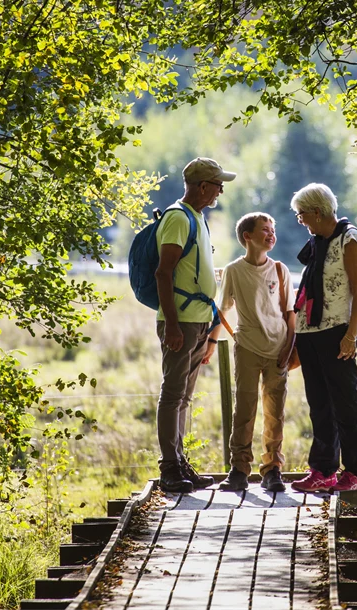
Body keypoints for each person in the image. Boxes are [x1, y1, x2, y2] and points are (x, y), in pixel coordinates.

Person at [153, 157, 235, 493]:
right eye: (218, 184)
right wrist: (172, 324)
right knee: (173, 395)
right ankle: (169, 468)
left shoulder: (198, 218)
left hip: (199, 320)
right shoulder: (177, 218)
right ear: (203, 186)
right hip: (182, 321)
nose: (220, 191)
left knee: (184, 397)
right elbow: (163, 272)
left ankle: (179, 462)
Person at [288, 183, 357, 493]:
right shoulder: (317, 241)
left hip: (336, 331)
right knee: (319, 404)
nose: (301, 220)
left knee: (345, 404)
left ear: (318, 212)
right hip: (309, 331)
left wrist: (351, 334)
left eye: (301, 214)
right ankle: (323, 470)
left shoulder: (349, 238)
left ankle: (354, 471)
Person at [210, 212, 297, 493]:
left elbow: (290, 313)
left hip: (278, 348)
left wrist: (289, 347)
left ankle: (272, 469)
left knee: (275, 412)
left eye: (273, 229)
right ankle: (239, 470)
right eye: (264, 230)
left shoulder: (281, 270)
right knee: (244, 410)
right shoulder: (234, 270)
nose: (271, 234)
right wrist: (212, 342)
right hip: (247, 347)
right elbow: (222, 309)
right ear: (247, 237)